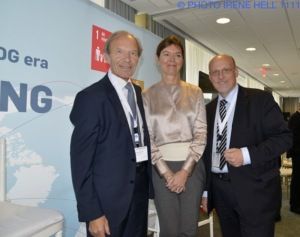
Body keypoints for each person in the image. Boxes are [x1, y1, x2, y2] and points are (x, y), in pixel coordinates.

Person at [70, 31, 153, 237]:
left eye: (133, 53)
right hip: (107, 205)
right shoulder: (91, 97)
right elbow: (81, 162)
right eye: (120, 52)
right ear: (106, 56)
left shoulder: (139, 93)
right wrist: (92, 213)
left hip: (139, 195)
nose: (127, 59)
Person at [201, 54, 292, 237]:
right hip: (220, 192)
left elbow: (284, 137)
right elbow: (206, 153)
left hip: (255, 191)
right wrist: (206, 190)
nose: (221, 76)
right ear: (210, 77)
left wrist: (247, 154)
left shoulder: (261, 100)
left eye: (225, 70)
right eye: (215, 72)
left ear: (236, 72)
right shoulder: (208, 110)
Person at [143, 35, 207, 237]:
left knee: (189, 229)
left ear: (182, 60)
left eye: (177, 55)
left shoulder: (195, 92)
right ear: (157, 58)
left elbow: (201, 133)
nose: (172, 59)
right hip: (161, 167)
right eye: (166, 54)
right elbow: (147, 138)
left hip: (193, 166)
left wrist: (184, 172)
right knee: (169, 229)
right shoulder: (146, 95)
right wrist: (167, 173)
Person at [288, 103, 300, 214]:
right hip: (297, 154)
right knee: (296, 179)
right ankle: (294, 205)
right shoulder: (295, 119)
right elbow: (293, 139)